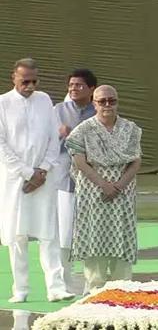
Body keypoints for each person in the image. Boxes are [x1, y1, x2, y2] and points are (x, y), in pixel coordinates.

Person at [0, 58, 74, 302]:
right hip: (15, 180)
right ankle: (20, 290)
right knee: (17, 235)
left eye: (34, 81)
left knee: (48, 233)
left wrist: (42, 170)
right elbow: (2, 145)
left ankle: (56, 287)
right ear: (14, 78)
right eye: (25, 81)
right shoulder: (3, 103)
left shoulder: (44, 100)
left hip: (45, 178)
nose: (30, 86)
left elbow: (54, 138)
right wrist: (27, 172)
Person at [65, 85, 142, 293]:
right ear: (94, 103)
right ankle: (94, 290)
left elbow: (135, 162)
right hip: (93, 192)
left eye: (111, 100)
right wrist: (104, 185)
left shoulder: (131, 129)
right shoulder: (82, 130)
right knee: (94, 238)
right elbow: (80, 162)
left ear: (117, 102)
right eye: (102, 101)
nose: (107, 105)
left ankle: (123, 288)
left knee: (122, 236)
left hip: (123, 192)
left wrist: (118, 185)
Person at [53, 69, 97, 288]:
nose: (73, 89)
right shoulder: (58, 110)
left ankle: (92, 282)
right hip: (63, 180)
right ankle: (63, 282)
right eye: (71, 85)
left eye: (79, 85)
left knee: (91, 231)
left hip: (91, 182)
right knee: (64, 233)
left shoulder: (99, 111)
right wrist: (57, 134)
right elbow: (44, 144)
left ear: (91, 89)